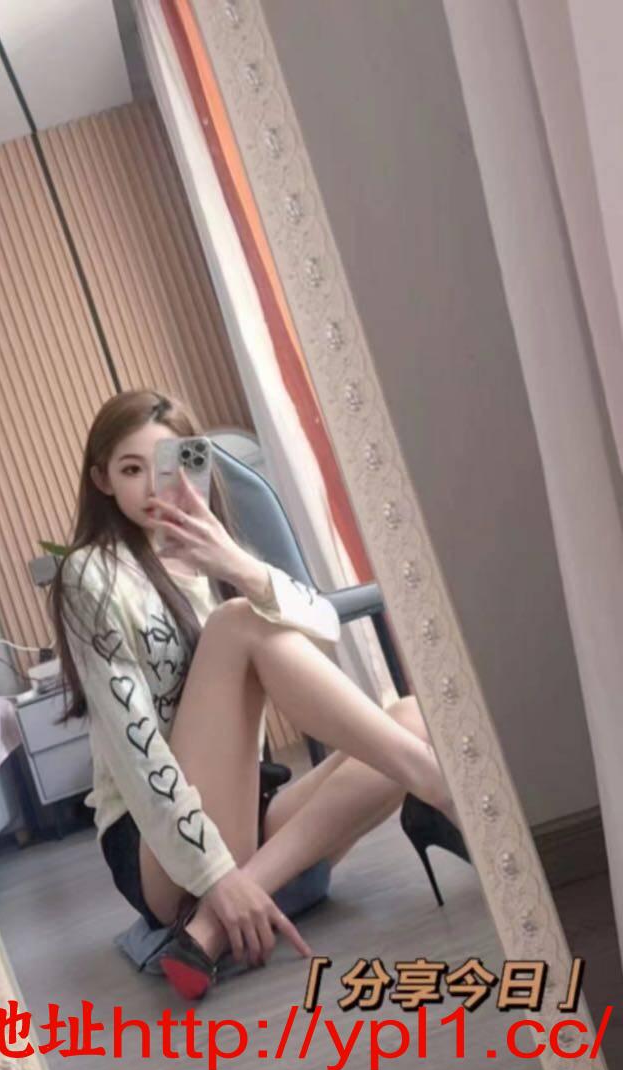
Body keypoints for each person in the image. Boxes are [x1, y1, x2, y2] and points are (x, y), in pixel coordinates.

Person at [49, 388, 466, 1000]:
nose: (152, 486)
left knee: (409, 718)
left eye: (168, 465)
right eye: (131, 470)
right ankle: (443, 787)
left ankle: (209, 930)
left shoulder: (214, 561)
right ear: (102, 480)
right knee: (237, 623)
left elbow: (325, 627)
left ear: (195, 466)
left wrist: (234, 564)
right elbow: (137, 757)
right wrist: (216, 873)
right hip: (154, 842)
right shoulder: (90, 574)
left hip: (246, 810)